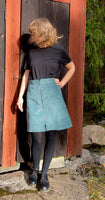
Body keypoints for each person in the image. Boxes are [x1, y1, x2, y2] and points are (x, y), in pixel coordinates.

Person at [17, 18, 75, 191]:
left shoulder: (59, 50)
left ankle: (45, 174)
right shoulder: (32, 52)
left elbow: (72, 68)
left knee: (51, 134)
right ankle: (34, 171)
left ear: (43, 33)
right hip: (34, 92)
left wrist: (62, 83)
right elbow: (26, 75)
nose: (32, 36)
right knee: (37, 136)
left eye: (34, 32)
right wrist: (20, 97)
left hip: (52, 93)